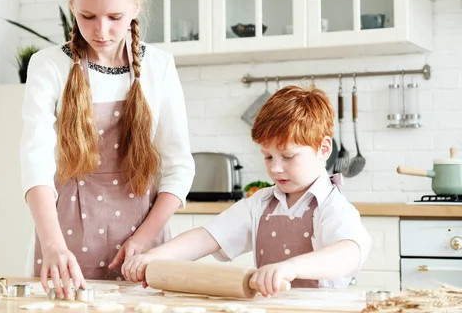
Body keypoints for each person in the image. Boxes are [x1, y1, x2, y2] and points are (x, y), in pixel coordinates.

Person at [19, 0, 195, 298]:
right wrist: (51, 244)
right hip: (66, 245)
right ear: (72, 6)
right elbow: (35, 162)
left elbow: (179, 167)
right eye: (87, 16)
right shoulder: (48, 65)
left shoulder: (159, 66)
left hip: (143, 249)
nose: (101, 30)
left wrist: (144, 239)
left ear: (135, 8)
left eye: (115, 17)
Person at [122, 85, 371, 297]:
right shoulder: (260, 203)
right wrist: (154, 257)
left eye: (288, 156)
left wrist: (291, 267)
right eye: (268, 156)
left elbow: (348, 253)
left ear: (324, 149)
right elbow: (208, 237)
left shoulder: (332, 206)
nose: (275, 168)